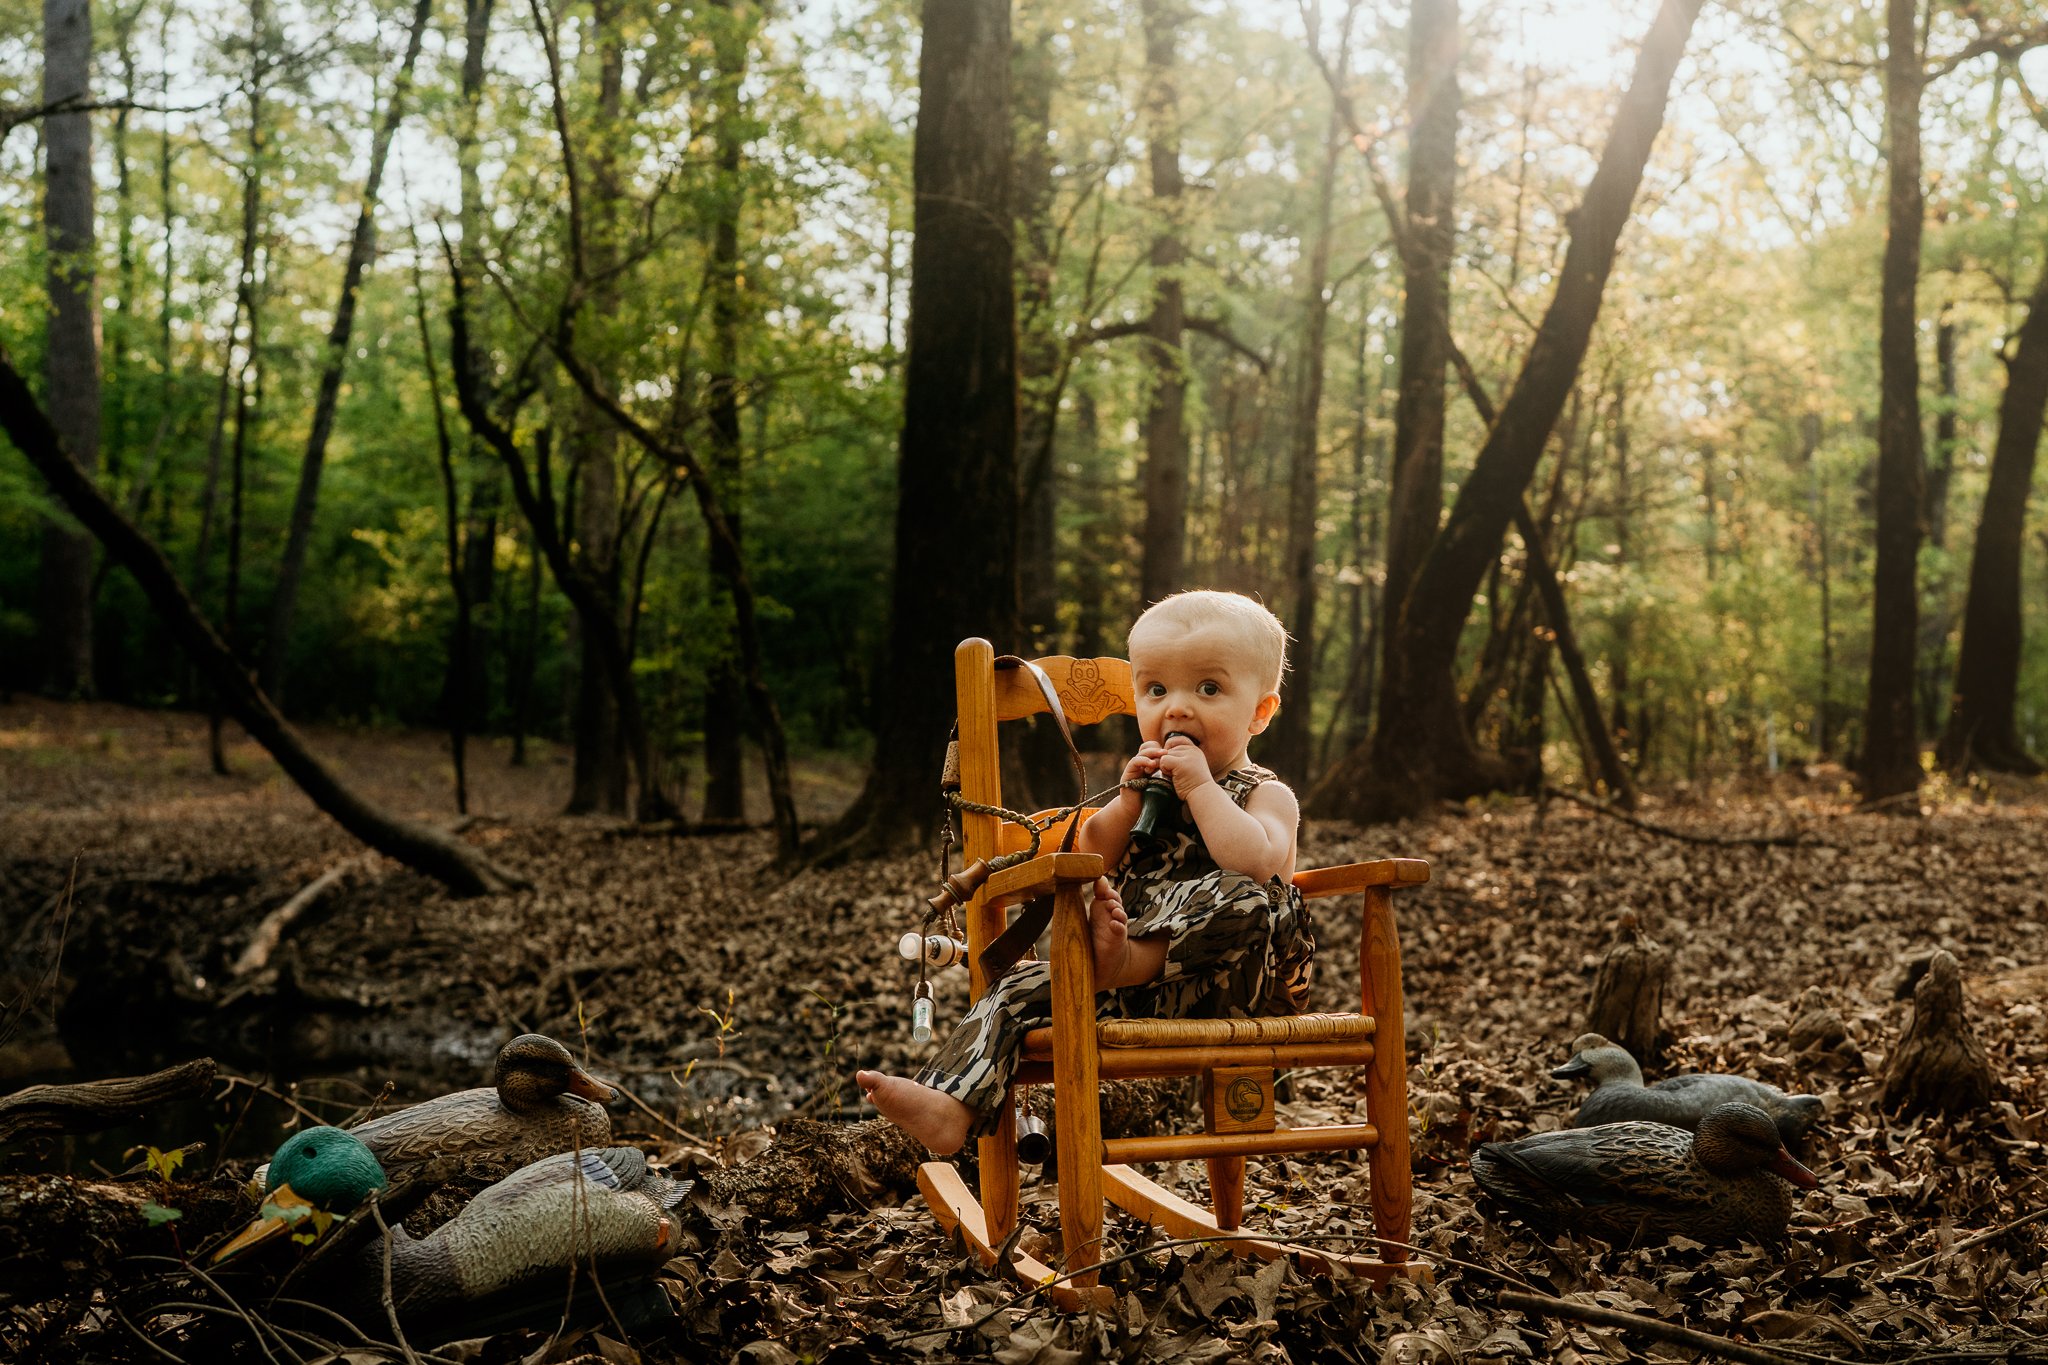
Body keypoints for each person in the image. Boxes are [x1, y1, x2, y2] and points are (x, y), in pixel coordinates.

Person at [857, 590, 1314, 1154]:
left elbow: (1257, 864)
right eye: (1156, 690)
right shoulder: (1148, 791)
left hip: (1232, 987)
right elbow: (1093, 853)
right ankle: (949, 1103)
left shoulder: (1265, 794)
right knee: (1017, 985)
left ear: (1260, 713)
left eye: (1209, 689)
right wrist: (1125, 803)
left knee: (1246, 895)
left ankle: (1125, 959)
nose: (1176, 709)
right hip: (1128, 990)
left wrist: (1200, 787)